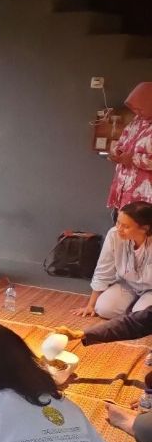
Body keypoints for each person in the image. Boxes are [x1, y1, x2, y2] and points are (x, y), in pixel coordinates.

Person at [71, 201, 152, 320]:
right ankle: (132, 308)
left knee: (142, 318)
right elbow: (103, 269)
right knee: (104, 309)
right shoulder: (114, 235)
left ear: (145, 228)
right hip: (127, 284)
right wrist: (90, 305)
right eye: (118, 223)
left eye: (126, 226)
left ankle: (137, 309)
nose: (119, 229)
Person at [107, 82, 152, 215]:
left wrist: (132, 159)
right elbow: (123, 142)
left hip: (145, 199)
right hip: (124, 193)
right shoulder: (137, 121)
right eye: (135, 108)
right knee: (120, 233)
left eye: (140, 108)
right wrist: (117, 151)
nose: (136, 112)